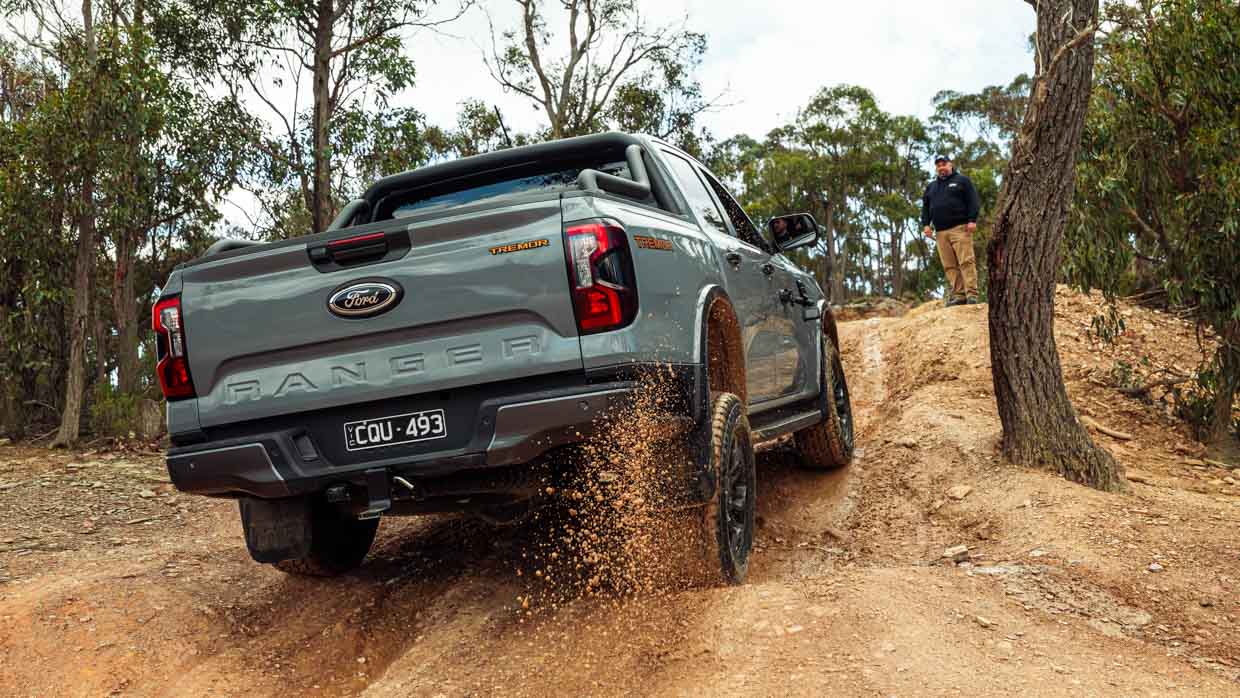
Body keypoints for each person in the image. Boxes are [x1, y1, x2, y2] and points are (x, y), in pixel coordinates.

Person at [921, 155, 981, 306]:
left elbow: (973, 200)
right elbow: (926, 208)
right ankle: (959, 295)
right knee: (949, 265)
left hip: (960, 228)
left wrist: (972, 220)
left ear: (950, 165)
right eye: (938, 165)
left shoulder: (962, 181)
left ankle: (972, 294)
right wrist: (926, 225)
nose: (941, 167)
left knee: (966, 261)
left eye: (944, 164)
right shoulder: (931, 187)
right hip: (940, 232)